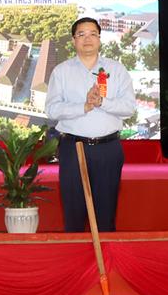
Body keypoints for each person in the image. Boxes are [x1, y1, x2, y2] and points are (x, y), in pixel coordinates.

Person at [46, 17, 137, 232]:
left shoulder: (117, 70)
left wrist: (102, 102)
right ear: (73, 40)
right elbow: (52, 110)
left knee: (106, 213)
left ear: (99, 38)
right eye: (81, 34)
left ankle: (105, 254)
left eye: (92, 34)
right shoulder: (61, 71)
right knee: (74, 213)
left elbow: (129, 108)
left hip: (108, 149)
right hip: (73, 148)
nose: (87, 39)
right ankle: (75, 253)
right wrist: (84, 106)